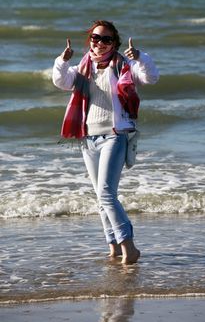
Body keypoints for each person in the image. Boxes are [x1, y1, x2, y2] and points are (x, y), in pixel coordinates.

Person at [52, 20, 159, 264]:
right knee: (100, 197)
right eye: (95, 38)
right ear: (90, 40)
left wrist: (141, 57)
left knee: (107, 194)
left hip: (115, 134)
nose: (99, 43)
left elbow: (150, 77)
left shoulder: (124, 65)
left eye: (106, 39)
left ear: (115, 43)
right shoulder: (83, 66)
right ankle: (113, 247)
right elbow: (61, 81)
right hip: (88, 137)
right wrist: (63, 60)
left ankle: (129, 247)